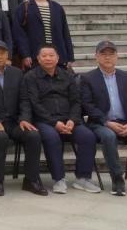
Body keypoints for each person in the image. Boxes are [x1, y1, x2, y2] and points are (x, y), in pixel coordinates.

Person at [81, 40, 127, 197]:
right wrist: (107, 122)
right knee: (109, 136)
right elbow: (88, 106)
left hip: (126, 123)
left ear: (117, 57)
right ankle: (117, 178)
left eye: (111, 54)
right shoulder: (87, 78)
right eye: (103, 54)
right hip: (101, 123)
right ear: (96, 57)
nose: (107, 57)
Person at [21, 44, 101, 194]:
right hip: (44, 120)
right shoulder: (30, 77)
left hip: (68, 120)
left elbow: (76, 101)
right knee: (52, 138)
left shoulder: (68, 75)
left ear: (57, 58)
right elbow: (34, 104)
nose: (48, 58)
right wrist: (54, 122)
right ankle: (58, 179)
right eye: (44, 56)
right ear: (38, 58)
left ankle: (83, 178)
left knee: (88, 136)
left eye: (51, 55)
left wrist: (72, 120)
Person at [0, 39, 45, 196]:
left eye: (2, 53)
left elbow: (24, 99)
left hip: (13, 122)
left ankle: (31, 180)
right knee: (0, 137)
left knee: (33, 135)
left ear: (7, 55)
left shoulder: (16, 73)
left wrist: (24, 118)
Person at [15, 0, 75, 70]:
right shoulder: (23, 8)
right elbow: (19, 34)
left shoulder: (57, 8)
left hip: (57, 56)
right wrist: (25, 54)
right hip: (35, 57)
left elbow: (65, 32)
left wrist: (70, 56)